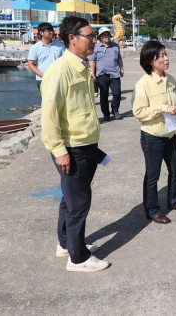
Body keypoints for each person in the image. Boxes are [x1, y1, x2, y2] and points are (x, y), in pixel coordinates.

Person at [40, 16, 110, 272]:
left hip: (86, 144)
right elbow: (48, 115)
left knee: (70, 199)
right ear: (72, 38)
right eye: (89, 36)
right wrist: (59, 151)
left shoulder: (81, 66)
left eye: (93, 36)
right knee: (79, 202)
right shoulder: (60, 70)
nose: (93, 41)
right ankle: (78, 258)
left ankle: (65, 243)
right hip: (72, 147)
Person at [132, 40, 176, 224]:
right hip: (152, 136)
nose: (166, 58)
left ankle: (175, 201)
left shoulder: (171, 80)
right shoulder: (143, 84)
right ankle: (152, 210)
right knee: (153, 175)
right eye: (160, 56)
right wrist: (163, 108)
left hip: (170, 134)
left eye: (165, 54)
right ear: (150, 60)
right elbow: (139, 112)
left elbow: (173, 110)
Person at [88, 27, 124, 121]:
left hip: (114, 73)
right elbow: (92, 61)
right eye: (104, 35)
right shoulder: (96, 47)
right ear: (100, 37)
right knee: (104, 96)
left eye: (107, 35)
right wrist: (93, 74)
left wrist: (121, 69)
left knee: (117, 93)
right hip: (102, 75)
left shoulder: (115, 46)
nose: (106, 37)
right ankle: (106, 114)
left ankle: (115, 110)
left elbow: (119, 58)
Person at [27, 22, 65, 90]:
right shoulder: (35, 48)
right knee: (47, 100)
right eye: (49, 31)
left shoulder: (60, 46)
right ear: (41, 33)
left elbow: (65, 61)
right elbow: (30, 64)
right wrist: (43, 76)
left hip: (58, 79)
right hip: (42, 80)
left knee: (59, 100)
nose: (51, 32)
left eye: (52, 30)